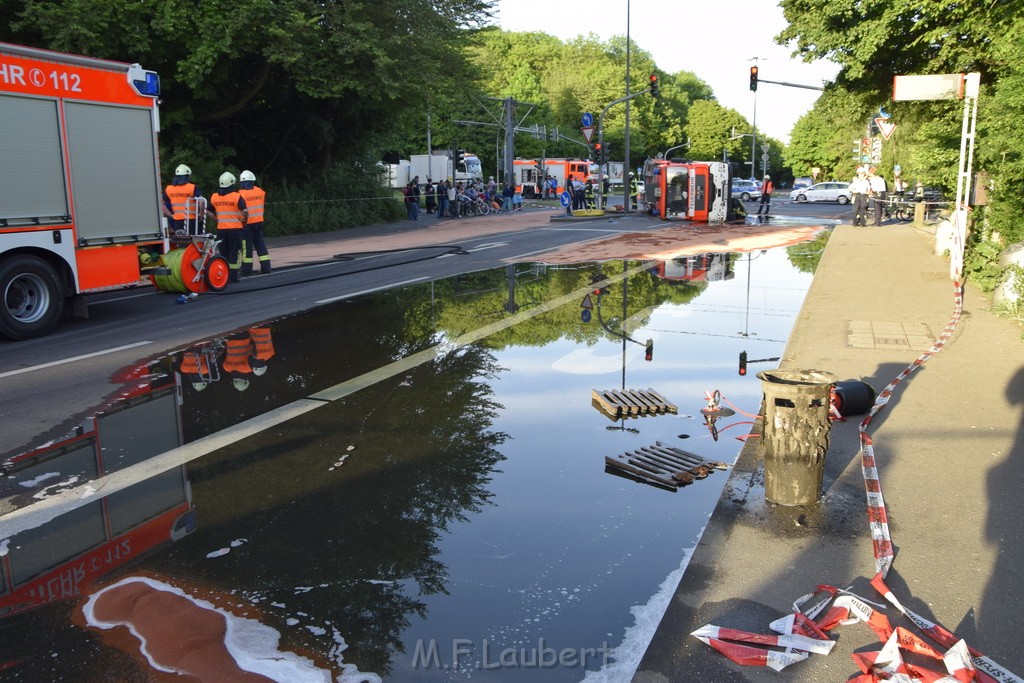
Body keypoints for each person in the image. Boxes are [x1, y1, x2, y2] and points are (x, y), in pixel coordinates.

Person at [206, 172, 248, 283]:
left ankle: (224, 276)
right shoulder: (237, 196)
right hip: (235, 229)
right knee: (235, 252)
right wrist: (244, 220)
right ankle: (233, 277)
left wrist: (217, 220)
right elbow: (245, 210)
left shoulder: (214, 196)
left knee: (224, 253)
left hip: (221, 229)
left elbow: (208, 211)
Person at [237, 170, 271, 275]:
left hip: (246, 224)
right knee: (260, 244)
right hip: (259, 222)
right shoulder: (260, 191)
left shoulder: (240, 194)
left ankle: (246, 270)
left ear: (243, 182)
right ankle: (266, 268)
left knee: (246, 247)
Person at [163, 164, 204, 235]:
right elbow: (201, 201)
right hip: (191, 220)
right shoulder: (192, 187)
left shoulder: (169, 189)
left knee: (180, 240)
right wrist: (201, 213)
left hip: (177, 220)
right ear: (187, 176)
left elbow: (161, 203)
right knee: (192, 240)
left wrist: (170, 214)